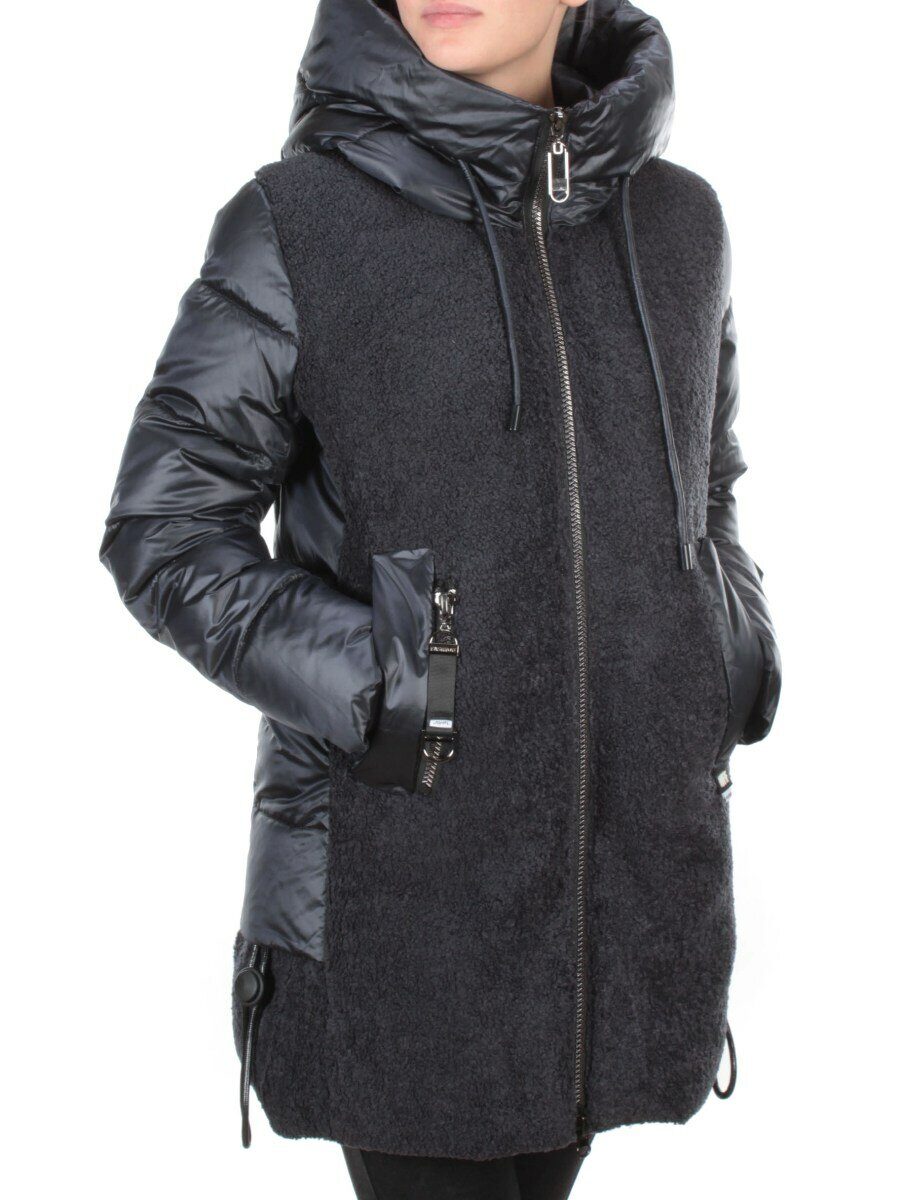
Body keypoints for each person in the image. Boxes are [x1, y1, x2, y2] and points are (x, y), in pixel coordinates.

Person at [99, 0, 781, 1196]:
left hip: (620, 904)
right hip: (398, 912)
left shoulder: (680, 224)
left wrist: (723, 651)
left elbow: (707, 479)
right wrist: (393, 688)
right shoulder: (299, 222)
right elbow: (164, 528)